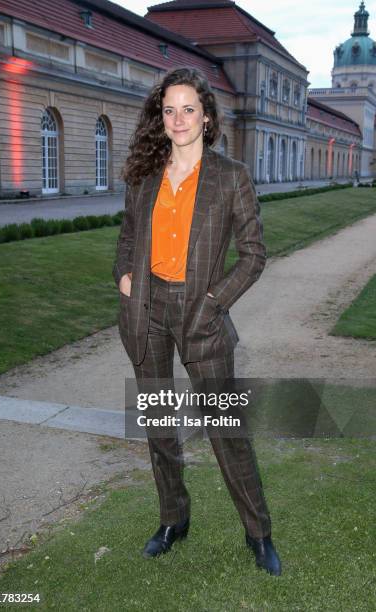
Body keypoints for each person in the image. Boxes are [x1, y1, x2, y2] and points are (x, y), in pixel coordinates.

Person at [113, 67, 281, 576]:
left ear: (206, 117)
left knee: (225, 429)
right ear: (159, 118)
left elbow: (254, 254)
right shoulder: (145, 174)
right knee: (160, 427)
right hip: (147, 311)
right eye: (169, 109)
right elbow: (126, 236)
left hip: (201, 313)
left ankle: (258, 533)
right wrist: (123, 274)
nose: (178, 118)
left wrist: (213, 301)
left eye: (188, 109)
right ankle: (173, 520)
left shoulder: (230, 176)